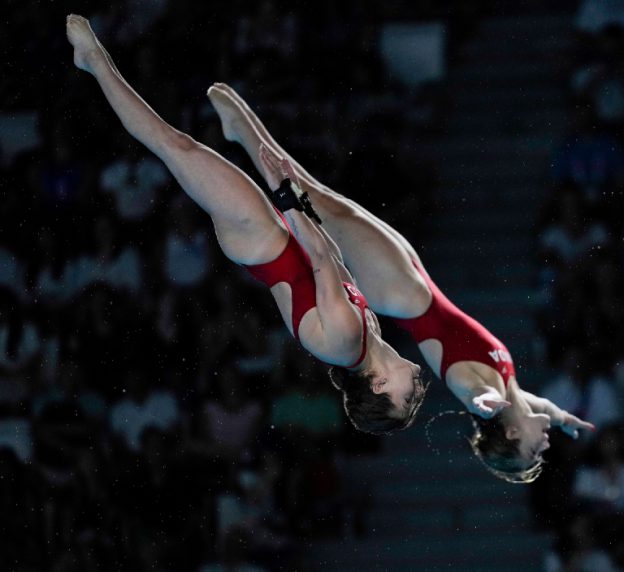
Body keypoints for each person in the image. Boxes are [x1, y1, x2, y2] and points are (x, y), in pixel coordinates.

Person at [207, 83, 596, 482]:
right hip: (411, 284)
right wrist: (565, 419)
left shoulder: (478, 389)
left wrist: (483, 404)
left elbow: (482, 399)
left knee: (313, 197)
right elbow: (533, 406)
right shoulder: (512, 391)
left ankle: (240, 132)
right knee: (317, 195)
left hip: (399, 291)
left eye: (535, 448)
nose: (545, 444)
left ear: (511, 430)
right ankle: (242, 130)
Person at [64, 15, 425, 434]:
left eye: (408, 400)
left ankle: (94, 60)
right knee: (184, 148)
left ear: (378, 384)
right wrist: (296, 204)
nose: (419, 391)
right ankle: (236, 128)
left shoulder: (347, 344)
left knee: (173, 145)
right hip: (278, 235)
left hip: (259, 241)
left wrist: (288, 197)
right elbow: (336, 260)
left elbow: (323, 261)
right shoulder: (370, 334)